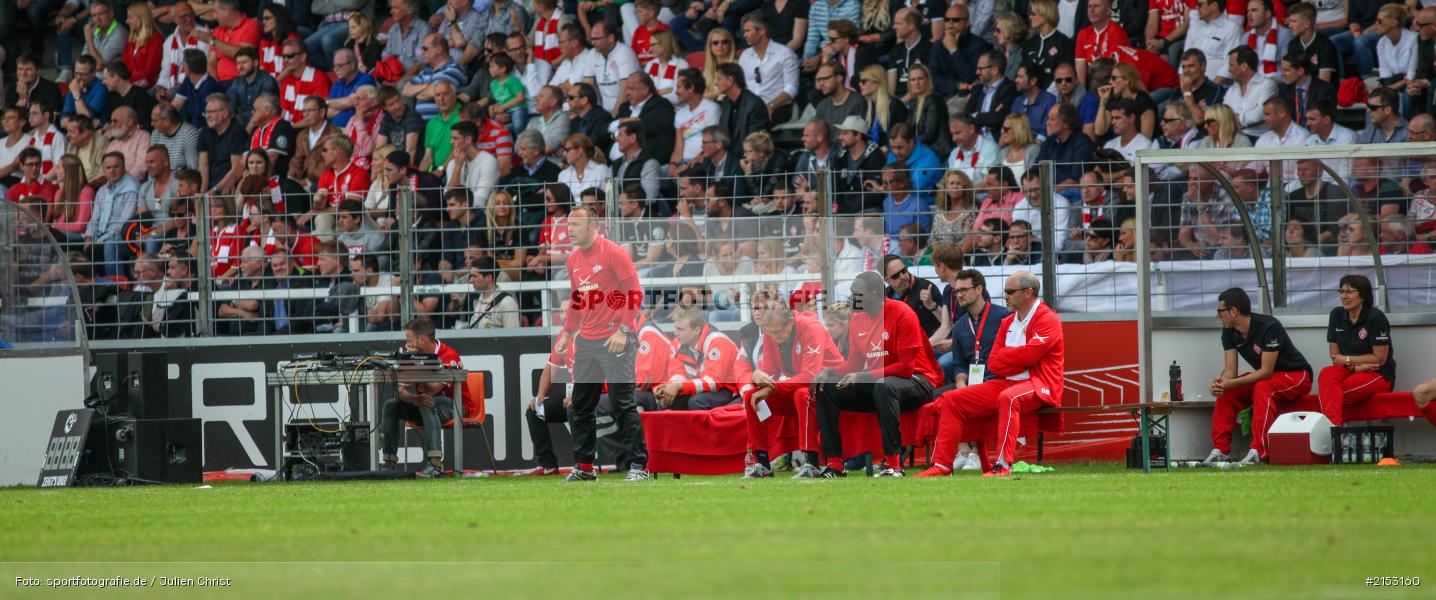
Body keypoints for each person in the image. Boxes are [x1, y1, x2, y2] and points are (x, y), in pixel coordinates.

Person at [916, 270, 1063, 478]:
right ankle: (941, 464)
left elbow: (1031, 356)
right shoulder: (1007, 322)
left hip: (1039, 384)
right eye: (1005, 291)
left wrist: (1011, 358)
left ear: (1028, 292)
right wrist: (1017, 360)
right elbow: (994, 361)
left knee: (1008, 398)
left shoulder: (1048, 319)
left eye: (1010, 291)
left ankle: (1002, 465)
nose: (1006, 296)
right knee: (951, 399)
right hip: (1005, 381)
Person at [812, 271, 944, 477]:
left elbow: (906, 368)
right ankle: (835, 464)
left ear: (876, 294)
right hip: (880, 383)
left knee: (885, 385)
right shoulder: (857, 319)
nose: (853, 298)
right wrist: (828, 372)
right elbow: (854, 364)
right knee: (827, 388)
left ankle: (893, 464)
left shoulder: (902, 312)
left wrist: (862, 376)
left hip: (918, 381)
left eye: (858, 294)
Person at [554, 204, 648, 481]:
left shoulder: (614, 253)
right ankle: (585, 467)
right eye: (568, 225)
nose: (570, 231)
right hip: (587, 341)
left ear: (593, 226)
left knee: (622, 404)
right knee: (581, 405)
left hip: (615, 339)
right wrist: (567, 332)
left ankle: (639, 466)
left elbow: (635, 293)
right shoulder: (573, 260)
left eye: (576, 226)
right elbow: (576, 300)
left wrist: (624, 330)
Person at [1204, 287, 1313, 466]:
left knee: (1263, 387)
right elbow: (1230, 371)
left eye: (1220, 310)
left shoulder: (1269, 326)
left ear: (1233, 311)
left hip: (1297, 376)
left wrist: (1231, 382)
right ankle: (1220, 451)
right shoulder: (1228, 330)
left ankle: (1258, 452)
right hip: (1268, 378)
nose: (1217, 315)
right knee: (1228, 392)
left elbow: (1266, 371)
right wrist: (1221, 382)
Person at [741, 301, 845, 478]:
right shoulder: (770, 333)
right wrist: (757, 378)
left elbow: (810, 376)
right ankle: (762, 462)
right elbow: (771, 373)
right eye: (770, 332)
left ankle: (811, 462)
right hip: (800, 386)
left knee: (802, 395)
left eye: (778, 331)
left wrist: (771, 388)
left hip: (831, 387)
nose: (774, 336)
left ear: (790, 322)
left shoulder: (812, 328)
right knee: (752, 395)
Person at [935, 261, 1011, 471]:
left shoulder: (1003, 317)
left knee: (959, 399)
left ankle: (976, 455)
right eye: (956, 291)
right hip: (972, 381)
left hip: (998, 381)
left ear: (979, 290)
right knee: (938, 398)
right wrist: (960, 381)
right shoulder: (960, 326)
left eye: (963, 290)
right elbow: (959, 363)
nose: (959, 295)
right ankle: (964, 452)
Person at [379, 317, 468, 478]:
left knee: (427, 401)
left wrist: (416, 365)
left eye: (410, 340)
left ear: (422, 339)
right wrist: (413, 399)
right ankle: (389, 464)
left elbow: (432, 389)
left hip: (456, 405)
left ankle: (435, 464)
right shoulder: (409, 355)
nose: (408, 344)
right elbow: (399, 391)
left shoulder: (448, 354)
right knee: (390, 405)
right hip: (425, 405)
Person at [1318, 275, 1395, 427]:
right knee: (1327, 373)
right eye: (1341, 291)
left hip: (1377, 373)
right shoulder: (1336, 315)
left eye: (1349, 292)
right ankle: (1334, 429)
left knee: (1333, 394)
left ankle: (1332, 430)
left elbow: (1380, 359)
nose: (1343, 296)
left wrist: (1347, 360)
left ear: (1362, 296)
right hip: (1349, 369)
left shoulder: (1375, 317)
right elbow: (1335, 356)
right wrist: (1355, 366)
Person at [653, 307, 743, 410]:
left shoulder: (718, 341)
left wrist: (679, 386)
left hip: (729, 390)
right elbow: (677, 374)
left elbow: (713, 382)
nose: (675, 333)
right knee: (667, 400)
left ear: (696, 330)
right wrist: (668, 387)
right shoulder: (677, 343)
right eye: (675, 328)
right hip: (701, 388)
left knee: (696, 401)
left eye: (680, 329)